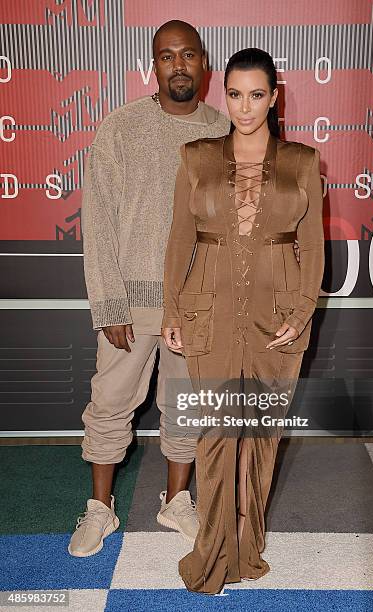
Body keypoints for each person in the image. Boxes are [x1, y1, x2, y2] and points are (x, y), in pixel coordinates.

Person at [162, 48, 325, 593]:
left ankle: (246, 546)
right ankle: (211, 554)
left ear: (275, 97)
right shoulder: (196, 155)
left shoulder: (303, 161)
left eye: (257, 94)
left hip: (277, 316)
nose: (245, 106)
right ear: (222, 95)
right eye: (235, 94)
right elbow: (180, 239)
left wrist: (302, 312)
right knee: (214, 433)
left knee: (259, 434)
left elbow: (313, 246)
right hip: (208, 308)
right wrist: (171, 308)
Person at [68, 20, 231, 557]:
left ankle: (176, 501)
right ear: (152, 66)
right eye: (167, 56)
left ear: (204, 64)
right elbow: (98, 221)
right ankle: (100, 508)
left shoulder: (226, 132)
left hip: (197, 304)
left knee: (185, 406)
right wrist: (108, 304)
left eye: (188, 55)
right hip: (131, 306)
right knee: (110, 402)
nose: (178, 65)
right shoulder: (119, 127)